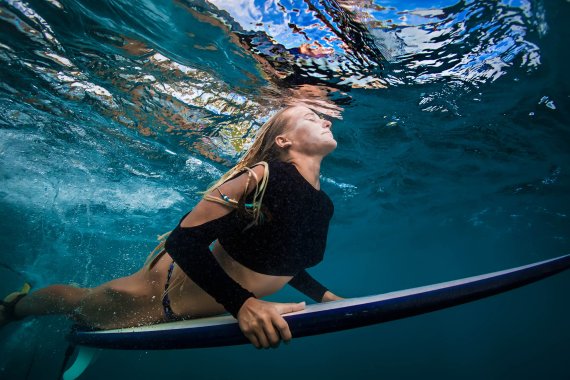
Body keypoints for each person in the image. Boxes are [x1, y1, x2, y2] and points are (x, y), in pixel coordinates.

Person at [0, 105, 344, 349]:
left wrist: (325, 297)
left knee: (85, 305)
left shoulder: (322, 203)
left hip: (200, 299)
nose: (326, 120)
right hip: (158, 295)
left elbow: (282, 258)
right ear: (283, 141)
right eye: (311, 116)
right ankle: (13, 307)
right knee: (81, 304)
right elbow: (183, 242)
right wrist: (243, 304)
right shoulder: (260, 176)